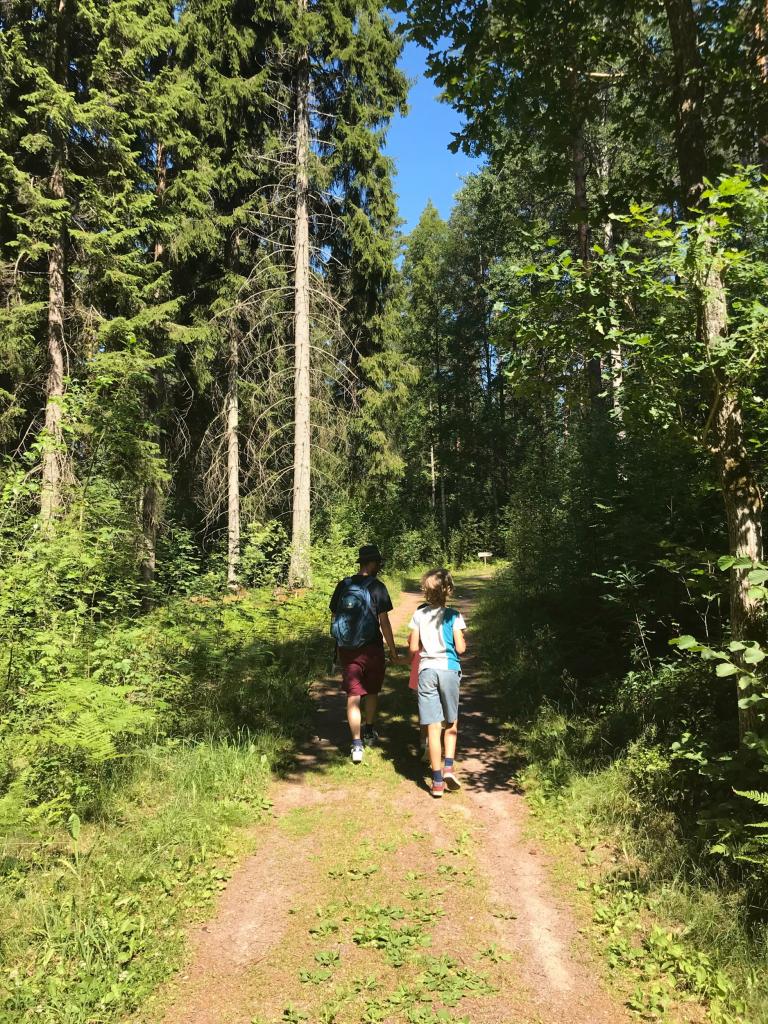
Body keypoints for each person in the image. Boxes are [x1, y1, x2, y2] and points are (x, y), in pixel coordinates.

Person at [330, 544, 402, 763]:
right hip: (372, 648)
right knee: (371, 691)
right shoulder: (377, 587)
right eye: (378, 562)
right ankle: (369, 730)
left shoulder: (344, 585)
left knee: (353, 695)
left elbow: (335, 617)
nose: (379, 566)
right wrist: (392, 649)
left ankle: (356, 744)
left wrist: (338, 644)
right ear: (372, 563)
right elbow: (385, 622)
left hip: (348, 649)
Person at [408, 568, 466, 797]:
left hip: (426, 671)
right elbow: (460, 648)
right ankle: (449, 766)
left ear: (425, 591)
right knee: (450, 722)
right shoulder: (454, 616)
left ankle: (437, 781)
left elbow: (413, 648)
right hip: (449, 670)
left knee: (432, 725)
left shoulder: (419, 615)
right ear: (449, 590)